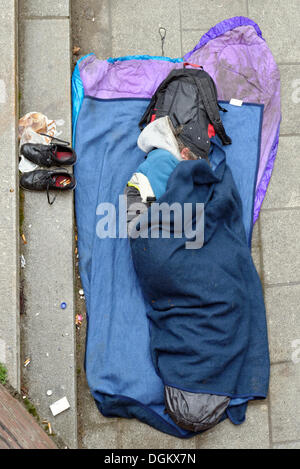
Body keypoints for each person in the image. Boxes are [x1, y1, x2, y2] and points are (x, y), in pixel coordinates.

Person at [125, 116, 202, 235]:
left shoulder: (170, 159)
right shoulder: (162, 159)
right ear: (185, 153)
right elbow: (167, 199)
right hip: (139, 207)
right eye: (194, 161)